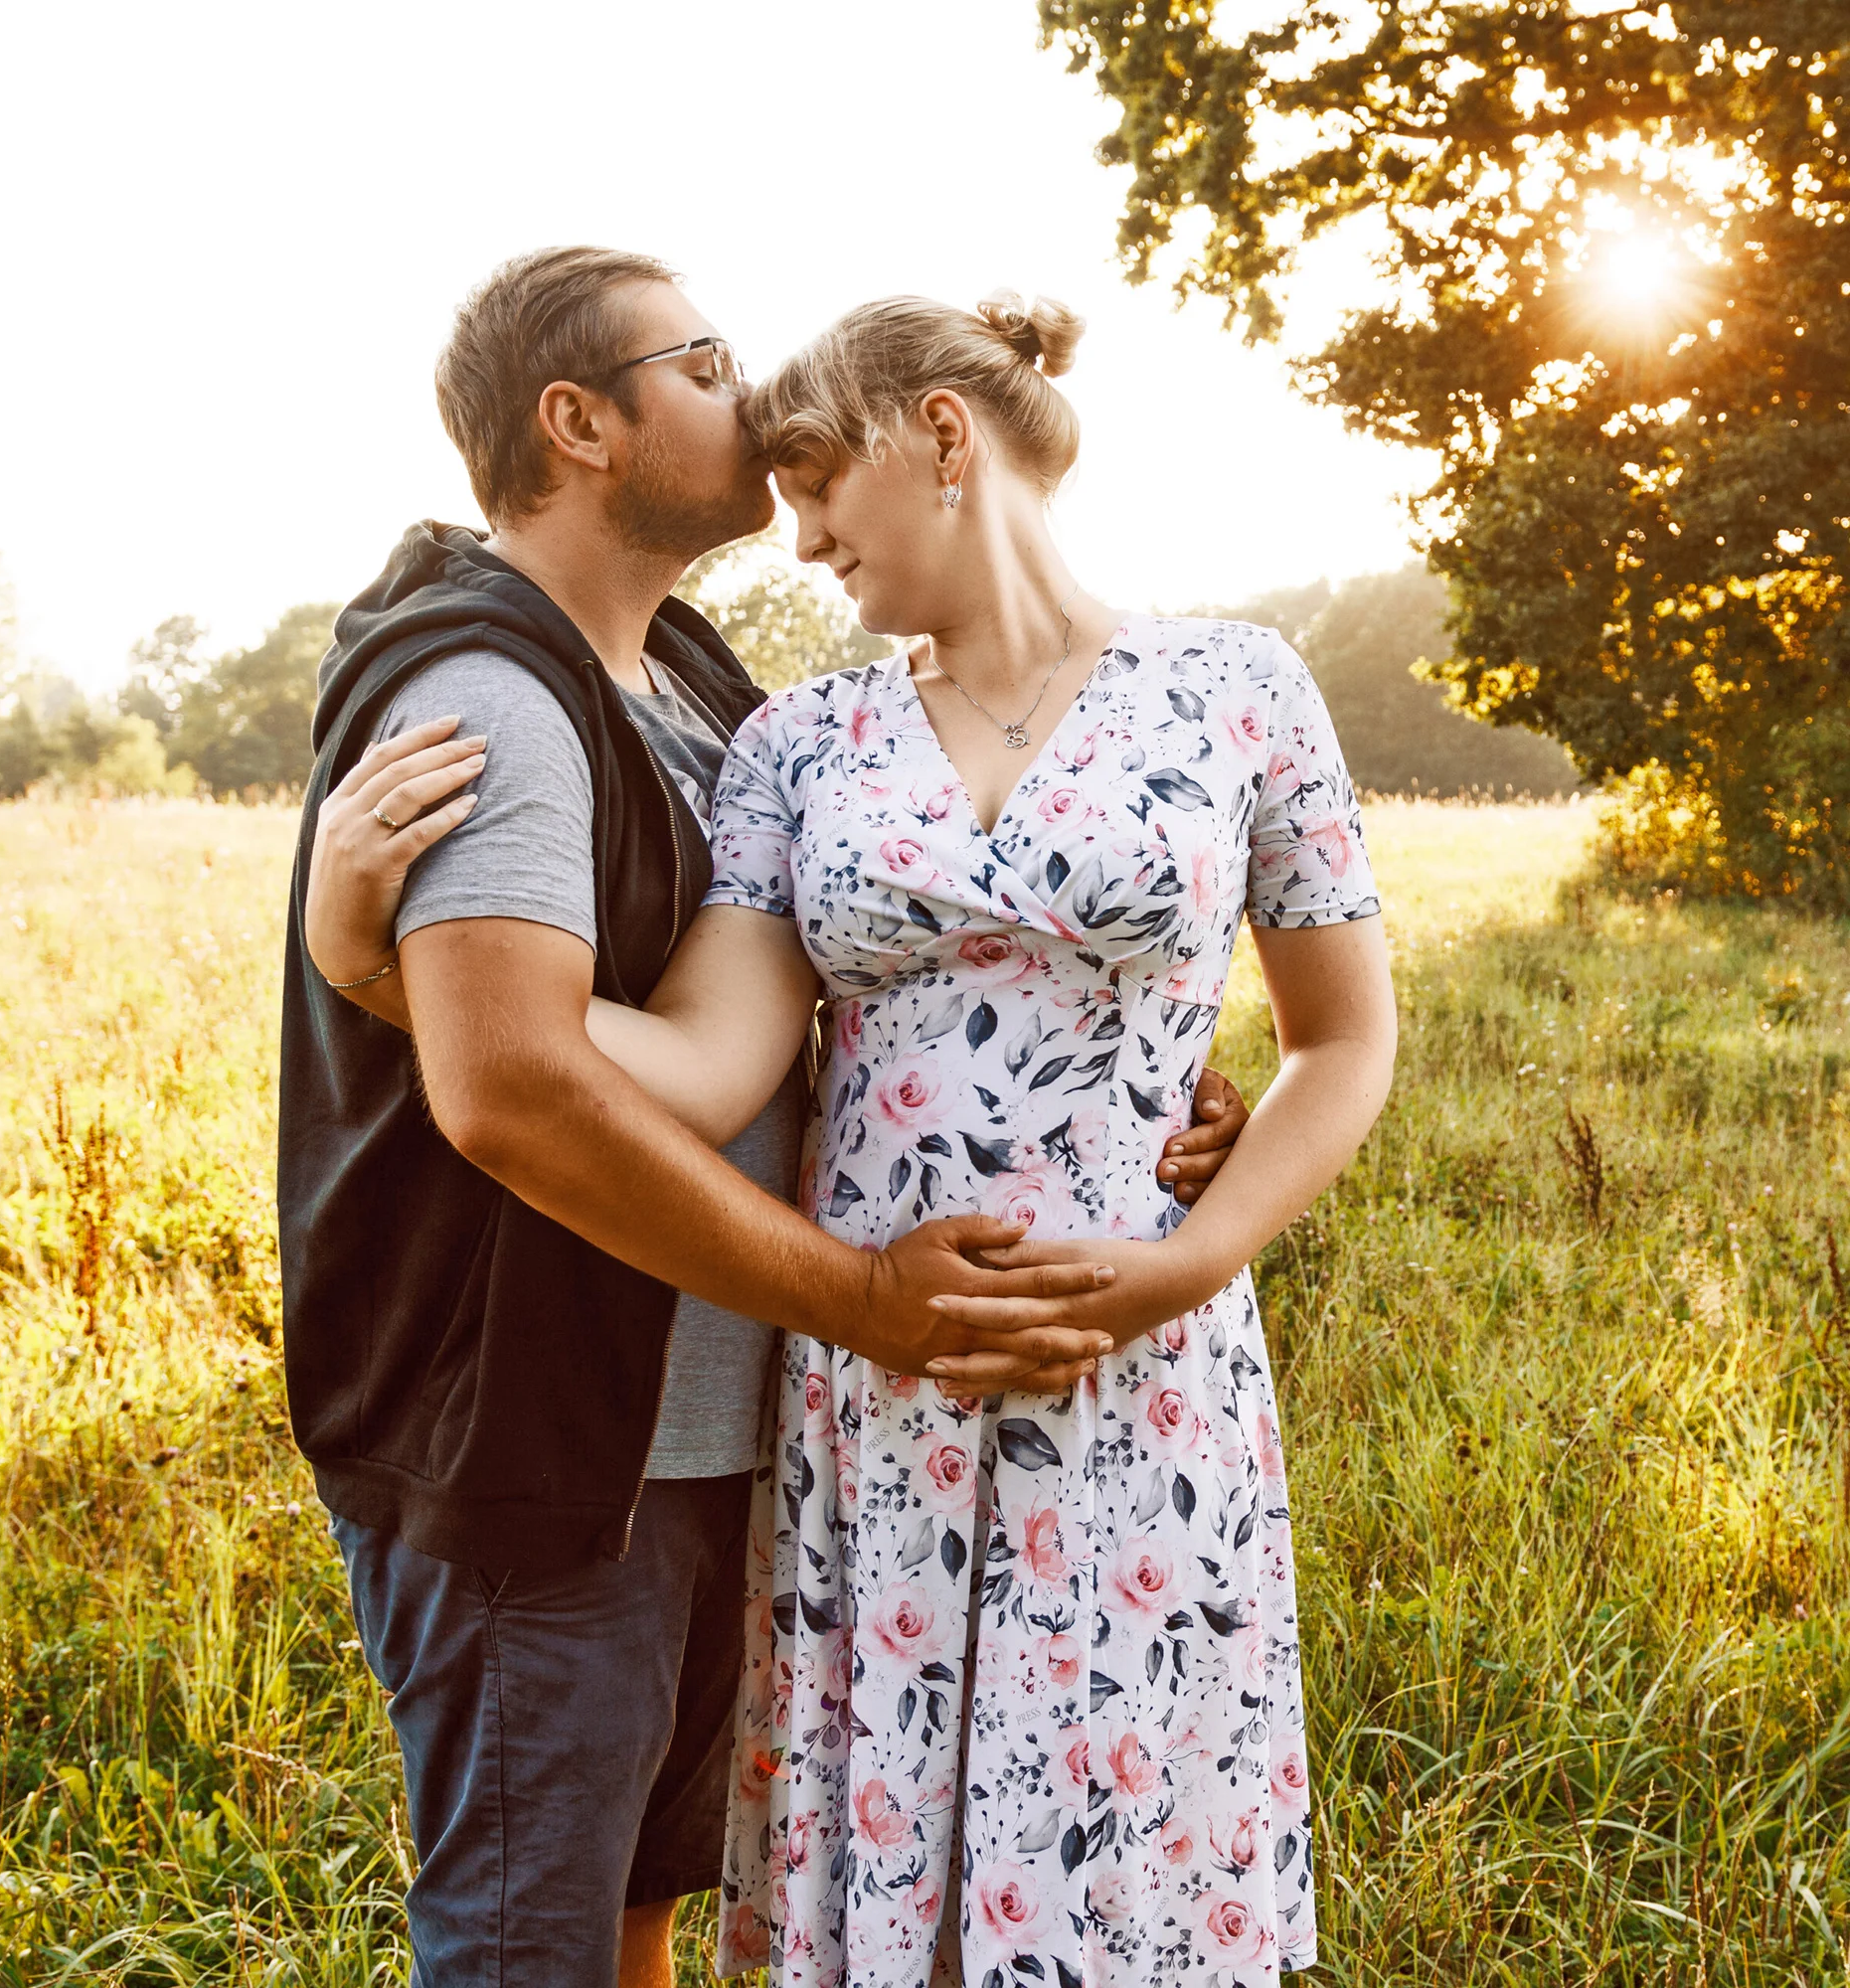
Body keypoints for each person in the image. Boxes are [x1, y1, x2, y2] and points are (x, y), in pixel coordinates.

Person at [320, 285, 1398, 1983]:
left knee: (1123, 1867)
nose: (800, 533)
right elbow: (700, 1066)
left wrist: (1190, 1255)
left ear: (944, 441)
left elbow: (1345, 1036)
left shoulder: (1240, 688)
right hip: (867, 1383)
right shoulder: (797, 741)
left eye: (820, 485)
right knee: (888, 1870)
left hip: (1142, 1361)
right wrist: (376, 972)